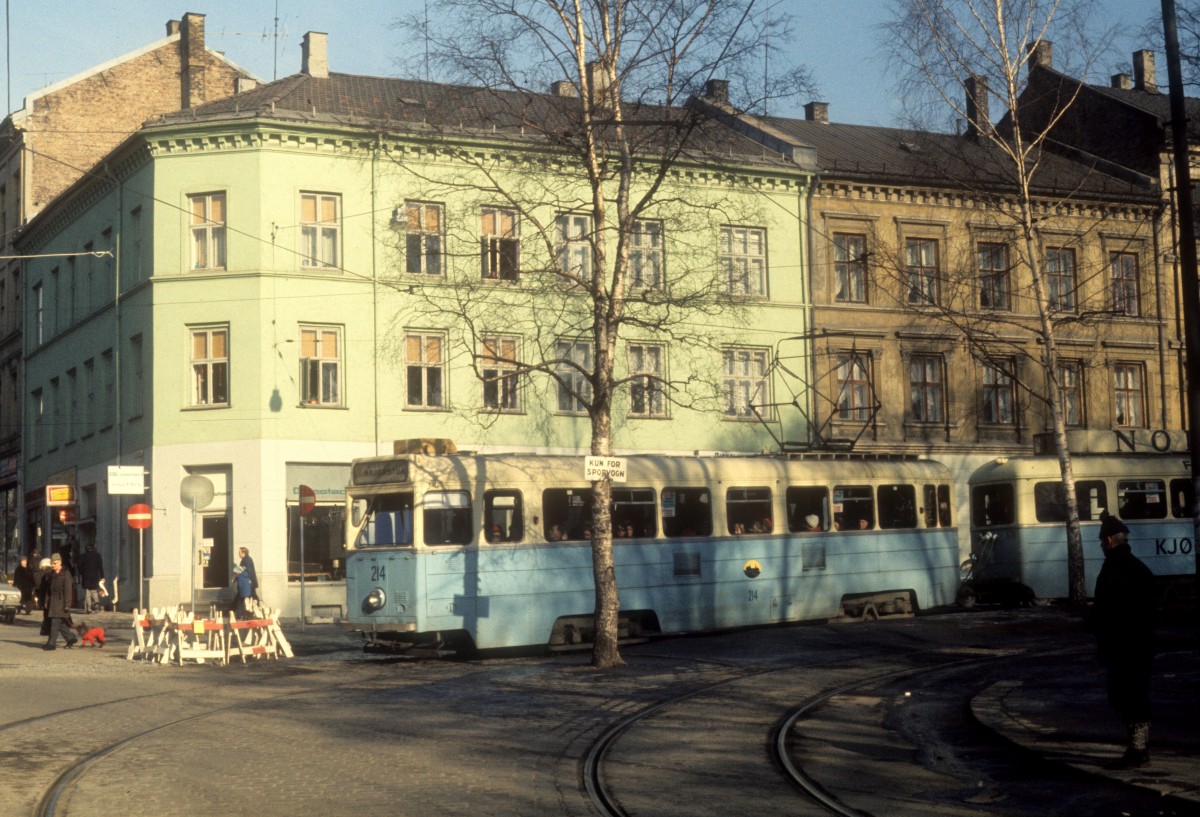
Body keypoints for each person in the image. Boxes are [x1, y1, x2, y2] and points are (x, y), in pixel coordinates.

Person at [1091, 513, 1156, 769]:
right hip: (1141, 644)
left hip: (1122, 645)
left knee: (1126, 695)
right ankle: (1138, 747)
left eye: (1100, 541)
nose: (1100, 546)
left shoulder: (1113, 568)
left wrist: (1096, 627)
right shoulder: (1139, 566)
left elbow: (1106, 608)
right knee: (1134, 693)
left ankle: (1138, 749)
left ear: (1109, 540)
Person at [43, 554, 78, 650]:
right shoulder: (52, 574)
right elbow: (48, 590)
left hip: (61, 602)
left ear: (60, 562)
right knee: (60, 623)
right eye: (51, 564)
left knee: (55, 622)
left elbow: (68, 590)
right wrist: (46, 600)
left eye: (54, 563)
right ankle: (70, 638)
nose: (52, 565)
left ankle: (51, 644)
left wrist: (67, 605)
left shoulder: (66, 573)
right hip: (53, 601)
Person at [78, 543, 105, 613]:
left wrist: (82, 573)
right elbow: (100, 567)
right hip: (95, 576)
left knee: (88, 593)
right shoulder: (97, 556)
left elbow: (79, 566)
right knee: (94, 591)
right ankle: (96, 605)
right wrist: (102, 577)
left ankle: (89, 608)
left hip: (86, 576)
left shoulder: (83, 556)